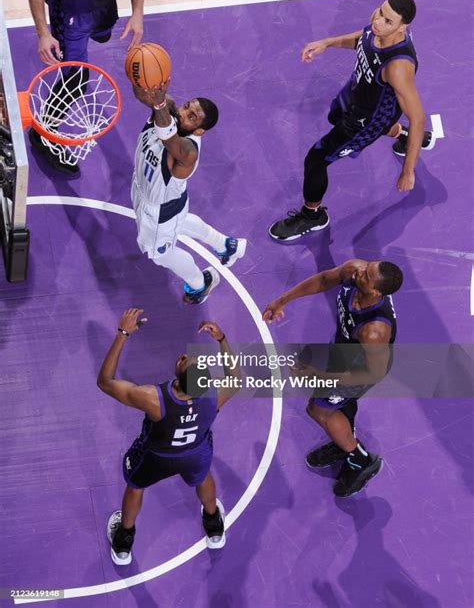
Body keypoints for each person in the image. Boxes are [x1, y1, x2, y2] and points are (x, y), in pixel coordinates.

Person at [269, 0, 434, 241]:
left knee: (315, 160)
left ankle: (313, 215)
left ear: (403, 27)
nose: (378, 21)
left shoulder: (398, 67)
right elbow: (362, 39)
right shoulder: (378, 27)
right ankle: (402, 134)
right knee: (335, 115)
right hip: (357, 94)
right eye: (380, 12)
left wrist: (408, 171)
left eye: (388, 21)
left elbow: (418, 117)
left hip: (366, 121)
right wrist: (327, 42)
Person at [97, 308, 240, 564]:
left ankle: (123, 542)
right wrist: (222, 340)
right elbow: (236, 378)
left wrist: (122, 334)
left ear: (177, 372)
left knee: (135, 486)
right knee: (203, 477)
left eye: (185, 359)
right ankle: (213, 525)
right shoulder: (215, 394)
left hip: (156, 456)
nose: (185, 355)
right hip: (195, 453)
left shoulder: (153, 399)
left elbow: (105, 382)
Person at [262, 258, 403, 497]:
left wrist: (320, 376)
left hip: (360, 370)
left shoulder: (375, 330)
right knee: (337, 407)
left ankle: (360, 460)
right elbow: (325, 279)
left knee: (318, 410)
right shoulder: (354, 271)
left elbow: (374, 373)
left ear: (376, 292)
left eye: (367, 276)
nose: (360, 273)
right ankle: (343, 442)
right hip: (342, 351)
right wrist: (281, 300)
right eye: (366, 269)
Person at [27, 0, 146, 175]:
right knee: (77, 80)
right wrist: (43, 33)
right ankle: (43, 132)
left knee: (104, 36)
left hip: (102, 4)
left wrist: (138, 11)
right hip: (71, 16)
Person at [131, 81, 246, 305]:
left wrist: (160, 104)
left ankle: (198, 284)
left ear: (200, 130)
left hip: (159, 212)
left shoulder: (188, 151)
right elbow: (142, 95)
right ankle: (226, 245)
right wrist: (139, 76)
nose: (184, 114)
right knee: (180, 221)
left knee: (161, 254)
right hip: (150, 193)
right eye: (187, 107)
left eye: (193, 117)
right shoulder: (169, 110)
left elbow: (169, 138)